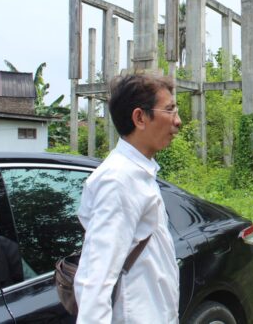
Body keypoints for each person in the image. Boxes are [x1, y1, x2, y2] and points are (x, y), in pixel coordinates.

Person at [74, 74, 182, 323]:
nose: (178, 121)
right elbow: (95, 280)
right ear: (140, 118)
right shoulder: (118, 181)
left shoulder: (137, 173)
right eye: (169, 110)